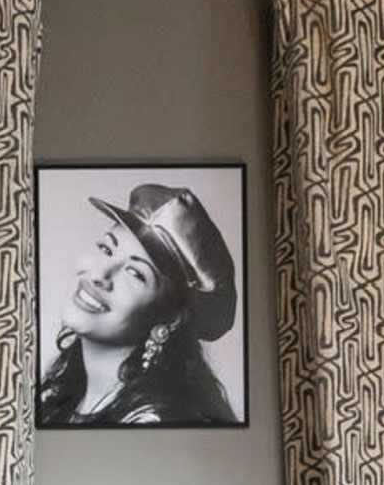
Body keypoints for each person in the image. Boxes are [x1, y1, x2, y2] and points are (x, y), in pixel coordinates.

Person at [38, 182, 239, 427]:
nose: (100, 274)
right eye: (106, 248)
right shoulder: (60, 397)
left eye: (135, 273)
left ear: (171, 318)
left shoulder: (157, 422)